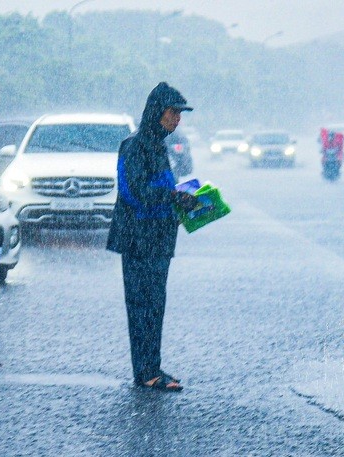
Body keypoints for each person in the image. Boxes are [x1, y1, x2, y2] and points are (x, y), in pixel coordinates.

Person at [107, 82, 198, 391]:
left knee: (155, 306)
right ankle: (145, 372)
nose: (177, 119)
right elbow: (133, 193)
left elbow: (159, 190)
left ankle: (153, 367)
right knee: (142, 306)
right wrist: (172, 196)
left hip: (158, 240)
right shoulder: (134, 145)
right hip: (138, 240)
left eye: (179, 113)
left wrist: (183, 199)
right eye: (173, 112)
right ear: (157, 112)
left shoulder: (159, 145)